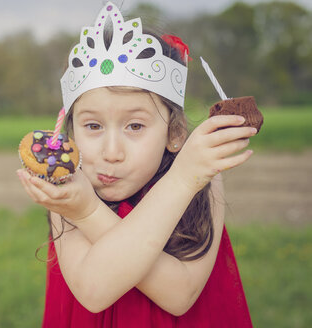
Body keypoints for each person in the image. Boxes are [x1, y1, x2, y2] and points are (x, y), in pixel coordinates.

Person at [17, 2, 254, 327]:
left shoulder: (202, 181)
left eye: (135, 126)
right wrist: (83, 209)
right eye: (93, 126)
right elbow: (94, 290)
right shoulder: (66, 190)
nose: (111, 152)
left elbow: (179, 296)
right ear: (70, 133)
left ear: (174, 134)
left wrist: (185, 178)